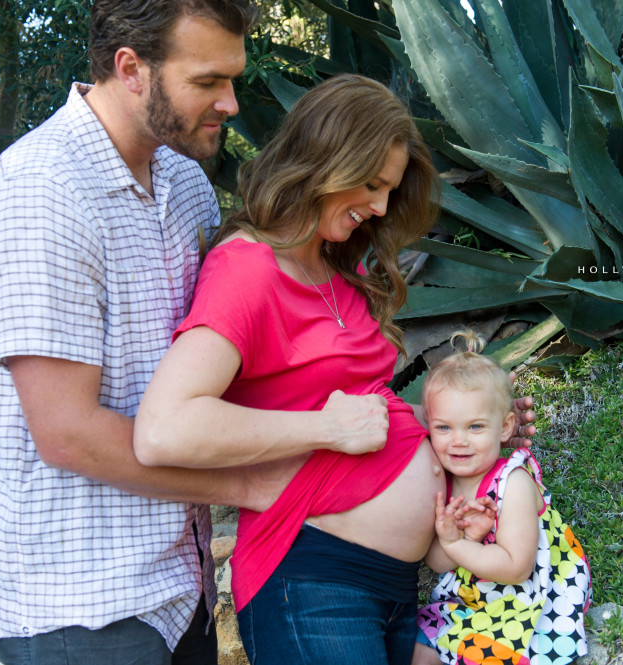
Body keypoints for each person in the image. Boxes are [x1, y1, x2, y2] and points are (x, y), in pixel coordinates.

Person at [133, 74, 536, 664]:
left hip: (399, 588)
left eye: (388, 191)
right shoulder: (248, 271)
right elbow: (163, 429)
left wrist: (461, 426)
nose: (378, 207)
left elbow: (357, 405)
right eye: (371, 184)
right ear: (323, 161)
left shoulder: (334, 269)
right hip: (313, 579)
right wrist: (328, 428)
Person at [0, 1, 291, 663]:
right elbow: (68, 432)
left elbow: (218, 362)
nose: (229, 103)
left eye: (233, 80)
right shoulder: (40, 192)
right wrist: (256, 484)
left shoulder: (186, 182)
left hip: (179, 580)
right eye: (206, 82)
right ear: (130, 68)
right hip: (77, 601)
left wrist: (464, 431)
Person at [414, 331, 591, 665]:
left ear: (506, 426)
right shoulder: (445, 481)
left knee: (494, 655)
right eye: (444, 428)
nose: (459, 441)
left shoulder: (514, 483)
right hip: (470, 602)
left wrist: (458, 546)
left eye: (476, 427)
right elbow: (438, 561)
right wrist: (462, 538)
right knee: (417, 652)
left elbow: (516, 568)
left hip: (525, 601)